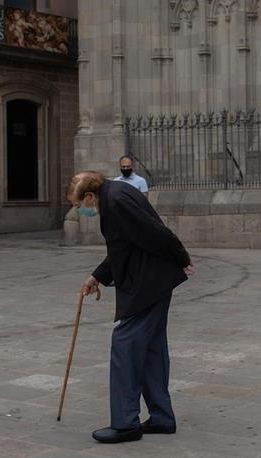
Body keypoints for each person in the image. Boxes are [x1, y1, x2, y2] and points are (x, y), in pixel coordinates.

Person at [67, 171, 193, 444]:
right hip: (151, 279)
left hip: (148, 282)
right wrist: (97, 277)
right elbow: (121, 248)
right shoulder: (114, 197)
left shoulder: (117, 201)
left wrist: (182, 258)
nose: (83, 211)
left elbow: (156, 231)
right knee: (151, 347)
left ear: (90, 196)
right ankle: (161, 417)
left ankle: (125, 424)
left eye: (81, 205)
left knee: (125, 343)